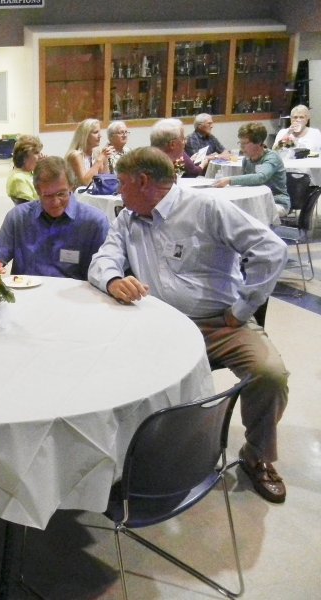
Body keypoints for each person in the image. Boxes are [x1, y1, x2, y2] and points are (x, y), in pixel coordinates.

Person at [88, 147, 289, 504]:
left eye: (121, 183)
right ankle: (124, 456)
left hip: (219, 323)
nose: (118, 191)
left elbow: (271, 250)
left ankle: (257, 456)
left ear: (143, 181)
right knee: (105, 366)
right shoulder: (128, 218)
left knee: (270, 374)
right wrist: (113, 279)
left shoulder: (206, 208)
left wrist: (240, 311)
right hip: (155, 323)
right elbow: (104, 257)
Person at [0, 156, 109, 280]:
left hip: (72, 296)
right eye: (48, 196)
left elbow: (103, 271)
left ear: (71, 187)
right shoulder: (18, 217)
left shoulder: (94, 222)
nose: (56, 202)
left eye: (61, 194)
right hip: (26, 295)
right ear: (37, 191)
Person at [214, 122, 290, 216]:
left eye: (245, 143)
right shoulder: (247, 160)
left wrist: (229, 180)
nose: (241, 147)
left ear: (258, 143)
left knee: (246, 215)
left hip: (276, 201)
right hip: (255, 201)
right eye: (240, 143)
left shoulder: (272, 158)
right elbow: (247, 183)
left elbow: (260, 177)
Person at [65, 118, 111, 186]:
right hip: (78, 195)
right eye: (95, 132)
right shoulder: (76, 155)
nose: (100, 136)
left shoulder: (97, 152)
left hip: (93, 194)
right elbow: (86, 183)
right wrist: (99, 160)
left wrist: (105, 159)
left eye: (99, 132)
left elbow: (106, 181)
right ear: (85, 135)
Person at [6, 134, 44, 202]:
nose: (41, 156)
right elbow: (30, 208)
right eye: (36, 153)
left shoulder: (28, 173)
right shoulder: (18, 179)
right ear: (24, 156)